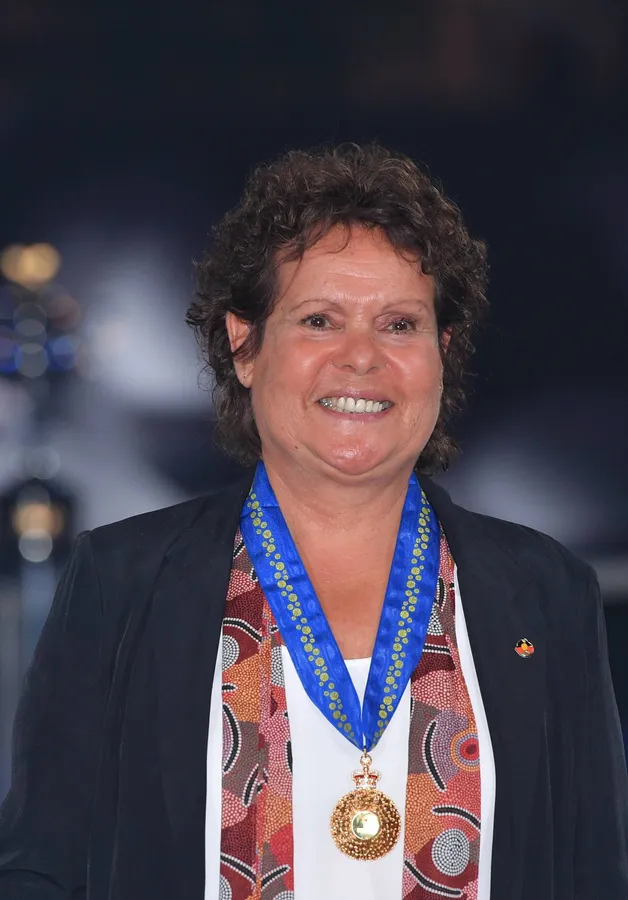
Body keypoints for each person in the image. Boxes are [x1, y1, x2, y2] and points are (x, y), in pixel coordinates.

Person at [0, 143, 626, 900]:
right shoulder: (121, 582)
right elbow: (42, 869)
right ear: (245, 345)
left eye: (399, 324)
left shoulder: (546, 592)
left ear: (442, 352)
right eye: (320, 320)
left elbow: (595, 872)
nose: (361, 358)